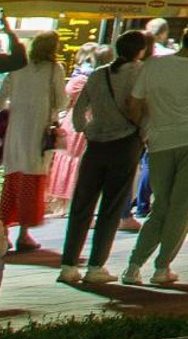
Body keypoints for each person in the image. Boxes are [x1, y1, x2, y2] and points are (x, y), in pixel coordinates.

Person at [122, 20, 188, 286]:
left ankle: (133, 266)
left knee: (161, 206)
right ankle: (162, 267)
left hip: (160, 141)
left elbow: (135, 105)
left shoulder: (152, 65)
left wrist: (144, 131)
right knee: (182, 206)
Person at [56, 30, 149, 286]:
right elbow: (145, 107)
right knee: (111, 206)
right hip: (125, 142)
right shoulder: (140, 73)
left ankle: (68, 265)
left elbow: (78, 111)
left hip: (95, 144)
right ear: (140, 51)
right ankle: (96, 266)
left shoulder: (99, 74)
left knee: (82, 205)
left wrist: (86, 130)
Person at [0, 34, 65, 255]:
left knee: (11, 180)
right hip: (37, 133)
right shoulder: (54, 69)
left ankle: (3, 232)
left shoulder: (17, 67)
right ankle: (23, 234)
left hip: (15, 132)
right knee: (31, 183)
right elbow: (61, 101)